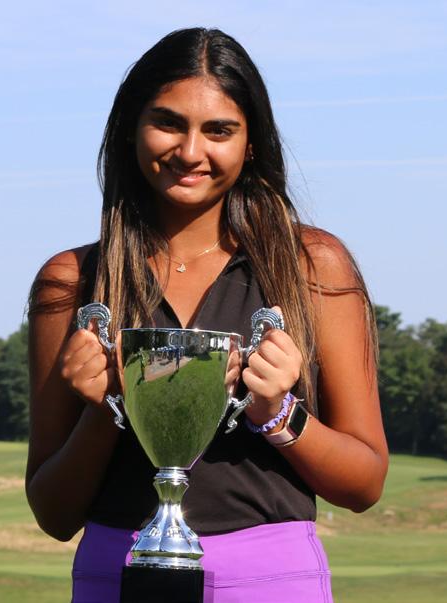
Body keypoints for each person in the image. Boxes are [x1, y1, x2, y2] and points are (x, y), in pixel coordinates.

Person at [25, 27, 388, 603]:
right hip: (115, 578)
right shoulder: (71, 282)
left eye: (219, 130)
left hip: (270, 582)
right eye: (168, 123)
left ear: (252, 142)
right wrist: (106, 409)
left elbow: (364, 484)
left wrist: (277, 413)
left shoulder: (313, 265)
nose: (191, 152)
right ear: (130, 129)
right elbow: (53, 513)